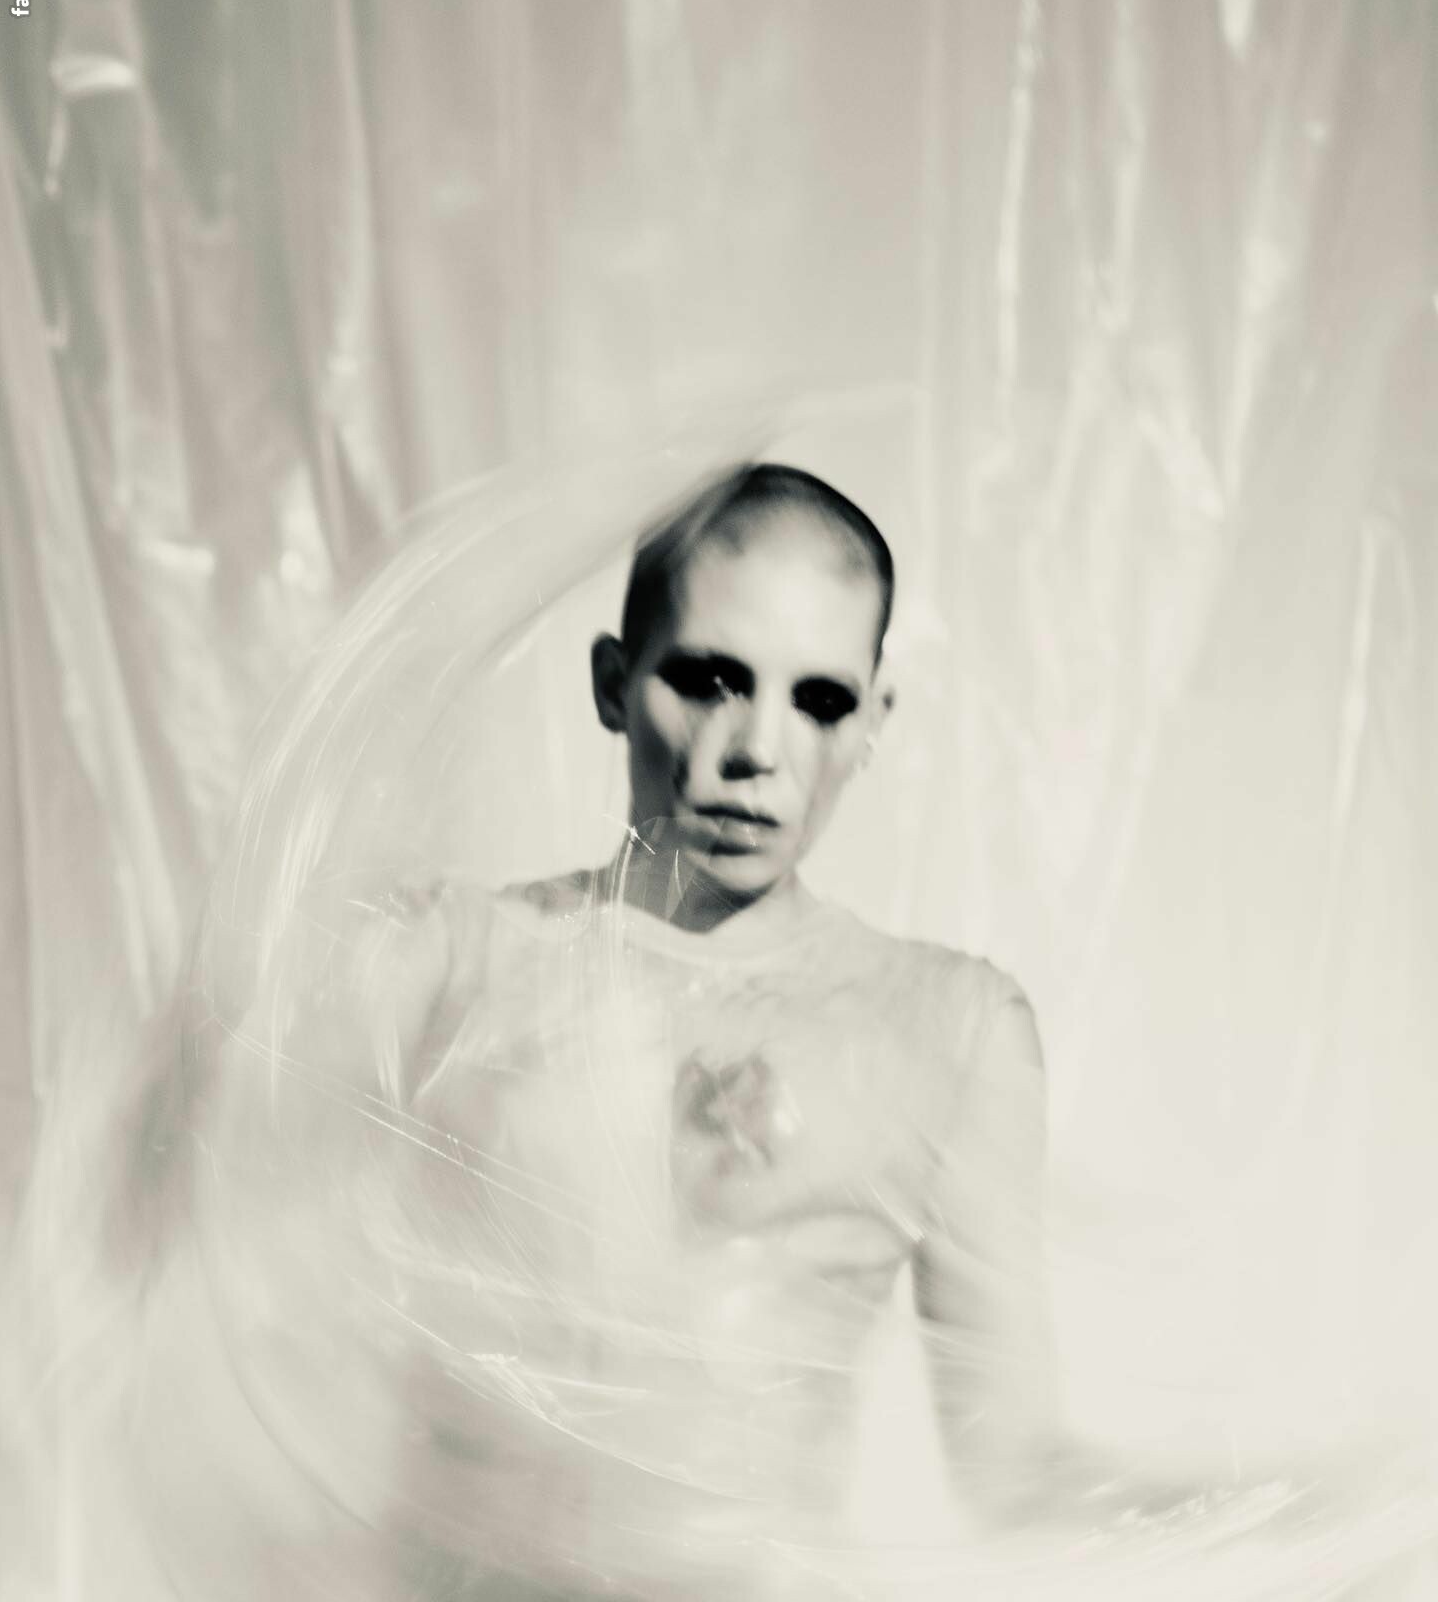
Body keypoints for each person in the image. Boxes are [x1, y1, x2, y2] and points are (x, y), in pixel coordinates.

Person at [321, 462, 1055, 1596]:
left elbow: (1017, 1478)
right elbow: (236, 1276)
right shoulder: (442, 967)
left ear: (874, 724)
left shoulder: (948, 1035)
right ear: (615, 684)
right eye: (709, 679)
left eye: (820, 701)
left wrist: (1300, 1523)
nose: (757, 747)